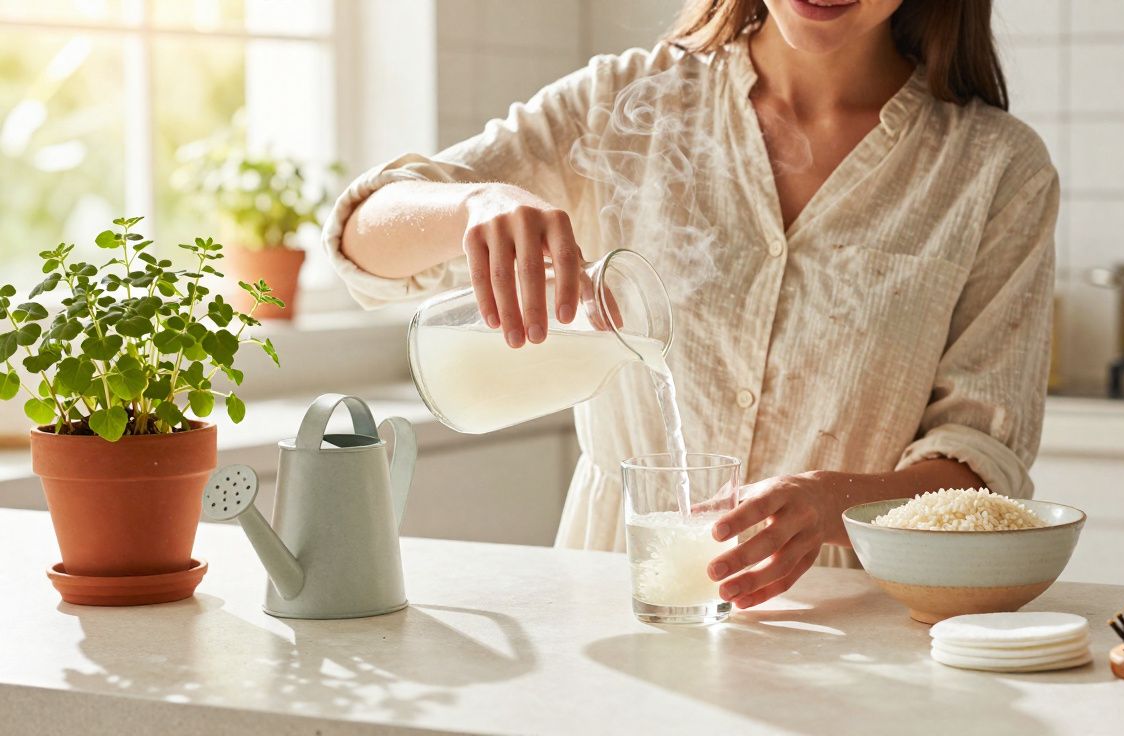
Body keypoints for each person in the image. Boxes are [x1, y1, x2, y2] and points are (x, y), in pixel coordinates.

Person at [325, 0, 1057, 610]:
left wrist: (828, 502)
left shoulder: (993, 170)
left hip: (845, 611)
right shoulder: (619, 104)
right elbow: (360, 239)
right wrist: (472, 203)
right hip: (614, 587)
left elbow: (982, 458)